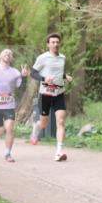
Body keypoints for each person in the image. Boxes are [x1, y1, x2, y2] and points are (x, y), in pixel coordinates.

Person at [29, 33, 73, 161]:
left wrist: (65, 76)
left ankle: (59, 152)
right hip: (45, 94)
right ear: (48, 44)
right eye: (52, 42)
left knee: (60, 121)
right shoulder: (42, 58)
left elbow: (57, 72)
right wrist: (44, 79)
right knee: (44, 122)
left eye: (57, 42)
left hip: (58, 93)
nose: (55, 44)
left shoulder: (62, 58)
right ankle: (36, 128)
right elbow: (33, 73)